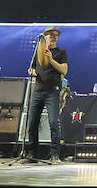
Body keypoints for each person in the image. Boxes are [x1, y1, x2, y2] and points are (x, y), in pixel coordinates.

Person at [23, 25, 68, 164]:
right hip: (38, 90)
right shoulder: (38, 51)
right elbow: (31, 68)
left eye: (56, 35)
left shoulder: (61, 52)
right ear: (45, 37)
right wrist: (31, 72)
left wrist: (51, 59)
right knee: (32, 123)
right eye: (51, 35)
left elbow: (64, 71)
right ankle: (31, 153)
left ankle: (55, 154)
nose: (53, 37)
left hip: (52, 91)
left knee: (54, 123)